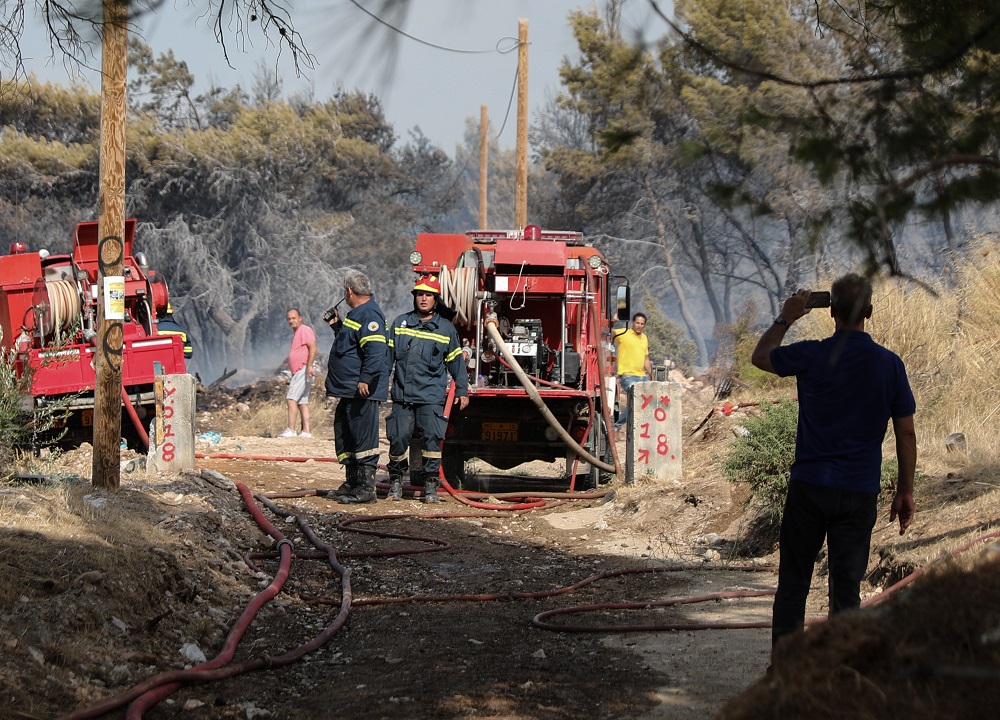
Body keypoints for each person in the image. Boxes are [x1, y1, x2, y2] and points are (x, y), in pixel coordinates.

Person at [750, 273, 917, 654]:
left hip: (809, 486)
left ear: (831, 313)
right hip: (859, 491)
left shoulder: (811, 354)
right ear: (870, 313)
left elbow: (760, 357)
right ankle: (841, 677)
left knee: (794, 584)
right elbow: (906, 434)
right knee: (846, 589)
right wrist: (905, 490)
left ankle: (787, 674)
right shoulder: (890, 365)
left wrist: (786, 318)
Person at [385, 274, 470, 503]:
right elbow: (387, 359)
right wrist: (379, 388)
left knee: (432, 440)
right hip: (402, 397)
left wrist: (462, 390)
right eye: (420, 294)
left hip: (430, 398)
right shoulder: (400, 324)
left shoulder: (446, 330)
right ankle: (395, 482)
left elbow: (456, 363)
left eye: (429, 295)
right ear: (415, 297)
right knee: (398, 438)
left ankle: (430, 486)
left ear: (435, 299)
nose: (424, 299)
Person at [325, 270, 389, 504]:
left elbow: (375, 350)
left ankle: (366, 489)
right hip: (348, 390)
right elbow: (351, 346)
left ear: (349, 291)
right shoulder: (356, 314)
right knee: (346, 435)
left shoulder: (369, 314)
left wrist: (366, 378)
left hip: (362, 389)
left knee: (364, 438)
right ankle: (352, 482)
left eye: (345, 291)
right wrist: (336, 326)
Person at [278, 308, 317, 438]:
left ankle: (291, 429)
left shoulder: (305, 330)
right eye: (289, 319)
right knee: (302, 401)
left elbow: (313, 347)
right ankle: (306, 431)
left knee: (291, 399)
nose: (291, 321)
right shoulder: (297, 333)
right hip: (299, 371)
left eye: (293, 318)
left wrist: (309, 366)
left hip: (303, 369)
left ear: (300, 318)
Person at [612, 312, 652, 430]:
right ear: (633, 323)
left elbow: (646, 359)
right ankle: (617, 425)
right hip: (628, 376)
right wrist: (613, 321)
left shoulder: (644, 337)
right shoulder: (624, 333)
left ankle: (642, 428)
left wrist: (651, 376)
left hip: (642, 376)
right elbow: (606, 332)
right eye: (637, 323)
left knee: (647, 401)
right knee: (637, 399)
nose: (639, 325)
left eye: (642, 324)